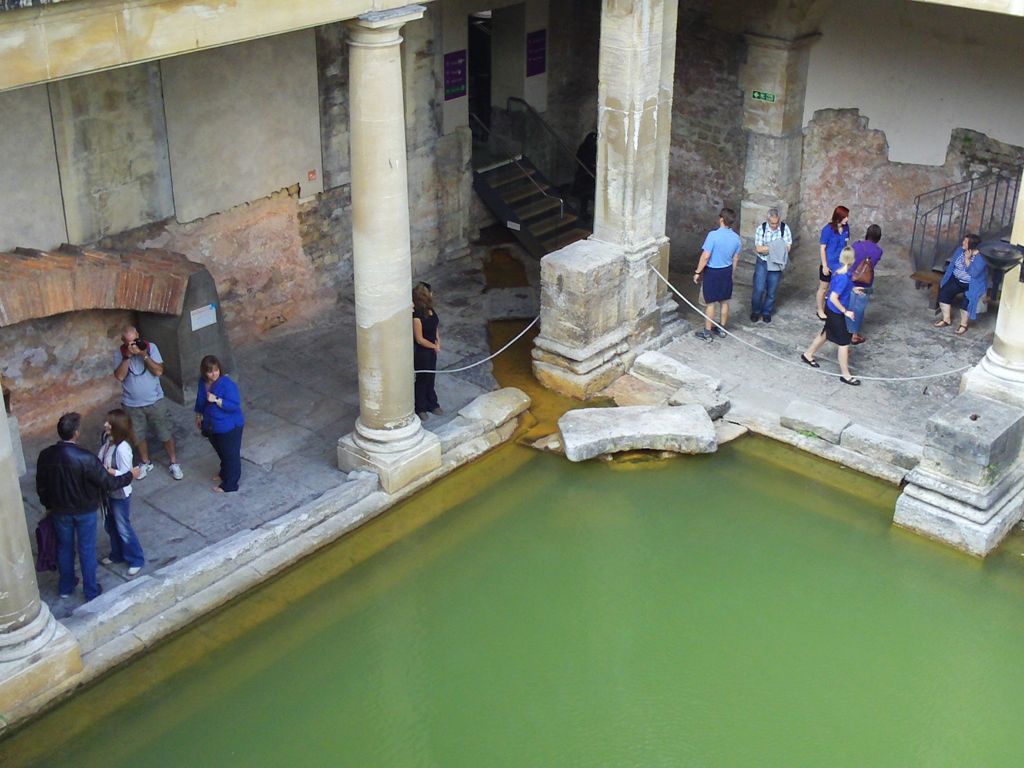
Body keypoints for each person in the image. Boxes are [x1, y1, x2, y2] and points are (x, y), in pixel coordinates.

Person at [36, 412, 139, 601]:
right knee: (86, 549)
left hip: (60, 510)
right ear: (76, 433)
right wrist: (130, 475)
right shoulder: (85, 458)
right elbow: (108, 483)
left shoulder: (46, 455)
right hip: (85, 511)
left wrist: (48, 505)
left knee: (64, 548)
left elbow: (41, 486)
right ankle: (90, 590)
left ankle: (66, 587)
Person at [113, 325, 184, 481]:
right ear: (123, 341)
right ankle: (145, 462)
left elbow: (158, 371)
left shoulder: (151, 348)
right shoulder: (120, 353)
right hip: (131, 404)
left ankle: (173, 462)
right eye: (128, 342)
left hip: (155, 401)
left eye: (134, 340)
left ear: (138, 335)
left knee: (164, 432)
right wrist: (127, 357)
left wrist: (144, 355)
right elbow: (119, 376)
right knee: (138, 436)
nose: (132, 345)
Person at [801, 245, 861, 385]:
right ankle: (846, 375)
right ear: (852, 260)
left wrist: (853, 288)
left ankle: (808, 354)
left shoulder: (841, 271)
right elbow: (834, 296)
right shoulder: (844, 277)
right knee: (844, 342)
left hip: (831, 309)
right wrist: (846, 311)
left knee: (826, 334)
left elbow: (838, 288)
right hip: (836, 312)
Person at [97, 409, 145, 576]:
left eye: (109, 423)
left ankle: (136, 558)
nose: (105, 424)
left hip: (119, 493)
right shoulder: (108, 441)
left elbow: (127, 474)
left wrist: (109, 471)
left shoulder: (123, 448)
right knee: (110, 525)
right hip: (108, 491)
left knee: (123, 526)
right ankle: (117, 554)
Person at [194, 355, 244, 493]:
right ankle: (224, 472)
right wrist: (199, 415)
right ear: (204, 372)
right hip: (212, 425)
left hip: (229, 426)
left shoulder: (227, 384)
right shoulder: (202, 382)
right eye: (210, 371)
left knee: (230, 454)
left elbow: (234, 405)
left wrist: (217, 399)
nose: (213, 374)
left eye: (215, 370)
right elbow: (200, 399)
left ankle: (230, 484)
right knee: (221, 451)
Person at [693, 207, 742, 340]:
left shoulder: (713, 235)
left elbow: (706, 256)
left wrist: (698, 272)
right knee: (724, 301)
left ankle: (707, 332)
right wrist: (732, 272)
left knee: (710, 303)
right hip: (726, 271)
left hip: (713, 272)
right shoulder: (736, 238)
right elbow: (735, 258)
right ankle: (721, 328)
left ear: (721, 219)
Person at [935, 233, 988, 336]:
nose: (963, 243)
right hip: (957, 279)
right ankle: (946, 319)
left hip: (972, 284)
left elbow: (974, 273)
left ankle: (963, 325)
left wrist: (967, 259)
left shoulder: (981, 258)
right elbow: (952, 265)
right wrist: (946, 278)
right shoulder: (960, 250)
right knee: (944, 293)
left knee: (966, 303)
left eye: (965, 242)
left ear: (972, 246)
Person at [750, 207, 792, 323]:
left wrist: (768, 248)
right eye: (772, 223)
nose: (774, 225)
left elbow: (787, 248)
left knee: (772, 290)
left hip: (776, 263)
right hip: (762, 262)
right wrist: (777, 247)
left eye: (776, 223)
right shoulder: (761, 229)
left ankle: (767, 312)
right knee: (758, 289)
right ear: (768, 220)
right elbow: (759, 249)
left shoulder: (784, 229)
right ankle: (756, 311)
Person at [846, 224, 884, 345]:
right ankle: (854, 335)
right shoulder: (878, 251)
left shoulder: (856, 245)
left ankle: (845, 330)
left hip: (851, 280)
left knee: (848, 305)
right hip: (865, 283)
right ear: (878, 237)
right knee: (859, 309)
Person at [413, 282, 442, 419]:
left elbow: (435, 326)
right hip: (422, 352)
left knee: (431, 377)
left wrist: (438, 341)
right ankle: (420, 408)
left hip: (431, 350)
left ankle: (432, 403)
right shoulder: (417, 316)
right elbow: (419, 339)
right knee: (422, 379)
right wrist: (433, 346)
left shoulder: (431, 310)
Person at [816, 205, 851, 320]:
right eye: (845, 217)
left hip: (840, 265)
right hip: (829, 264)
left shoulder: (846, 229)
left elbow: (845, 245)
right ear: (838, 217)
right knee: (823, 288)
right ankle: (820, 309)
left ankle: (831, 308)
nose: (847, 219)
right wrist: (825, 266)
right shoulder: (828, 230)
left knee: (835, 288)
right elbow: (822, 248)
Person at [571, 130, 597, 219]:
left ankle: (584, 213)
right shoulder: (586, 148)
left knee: (585, 196)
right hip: (585, 174)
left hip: (587, 174)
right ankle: (584, 213)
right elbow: (582, 158)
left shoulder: (590, 147)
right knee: (585, 195)